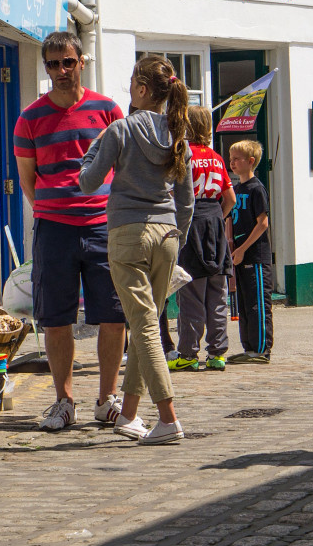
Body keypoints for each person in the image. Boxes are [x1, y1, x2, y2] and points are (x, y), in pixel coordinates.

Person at [78, 55, 195, 444]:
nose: (128, 88)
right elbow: (187, 199)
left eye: (132, 82)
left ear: (143, 90)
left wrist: (93, 151)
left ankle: (168, 419)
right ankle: (128, 414)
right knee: (145, 324)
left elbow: (88, 182)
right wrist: (177, 238)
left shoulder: (121, 130)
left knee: (144, 329)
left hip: (128, 234)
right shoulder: (178, 135)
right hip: (167, 237)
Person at [14, 31, 128, 433]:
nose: (61, 71)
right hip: (54, 229)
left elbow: (125, 167)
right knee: (56, 319)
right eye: (52, 64)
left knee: (113, 316)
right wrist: (51, 206)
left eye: (67, 62)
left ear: (82, 61)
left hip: (103, 226)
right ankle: (64, 402)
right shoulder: (30, 118)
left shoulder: (107, 110)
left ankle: (106, 399)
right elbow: (28, 179)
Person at [166, 106, 236, 373]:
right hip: (215, 223)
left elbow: (175, 193)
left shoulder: (184, 155)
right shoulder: (217, 158)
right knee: (217, 294)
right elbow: (229, 198)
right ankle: (218, 353)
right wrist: (218, 217)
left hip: (191, 222)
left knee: (191, 293)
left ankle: (188, 353)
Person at [228, 140, 274, 363]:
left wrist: (244, 249)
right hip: (238, 254)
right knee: (245, 304)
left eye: (237, 159)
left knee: (258, 302)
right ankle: (248, 347)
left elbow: (262, 223)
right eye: (231, 159)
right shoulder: (235, 190)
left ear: (251, 162)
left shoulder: (257, 188)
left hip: (255, 256)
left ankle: (261, 349)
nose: (232, 163)